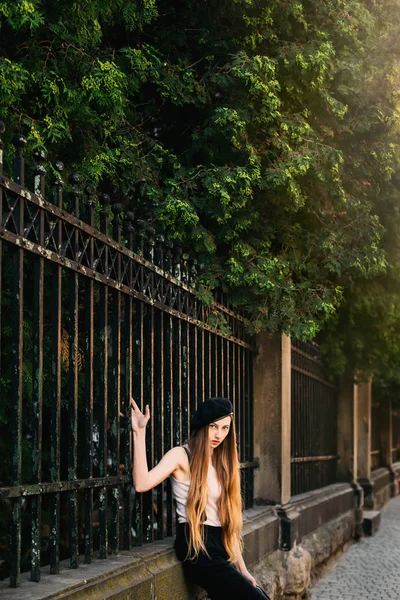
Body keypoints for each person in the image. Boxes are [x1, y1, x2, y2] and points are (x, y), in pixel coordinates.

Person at [131, 396, 269, 600]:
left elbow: (227, 522)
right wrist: (139, 432)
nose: (219, 434)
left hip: (219, 547)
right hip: (197, 547)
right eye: (214, 426)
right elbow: (142, 483)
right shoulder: (182, 455)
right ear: (202, 425)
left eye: (225, 428)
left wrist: (242, 569)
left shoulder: (222, 461)